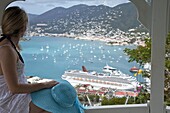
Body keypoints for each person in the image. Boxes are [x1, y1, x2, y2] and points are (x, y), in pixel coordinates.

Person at [0, 6, 58, 113]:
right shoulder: (6, 50)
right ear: (23, 27)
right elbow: (14, 88)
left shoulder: (9, 46)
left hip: (15, 96)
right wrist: (45, 84)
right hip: (9, 100)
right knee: (55, 107)